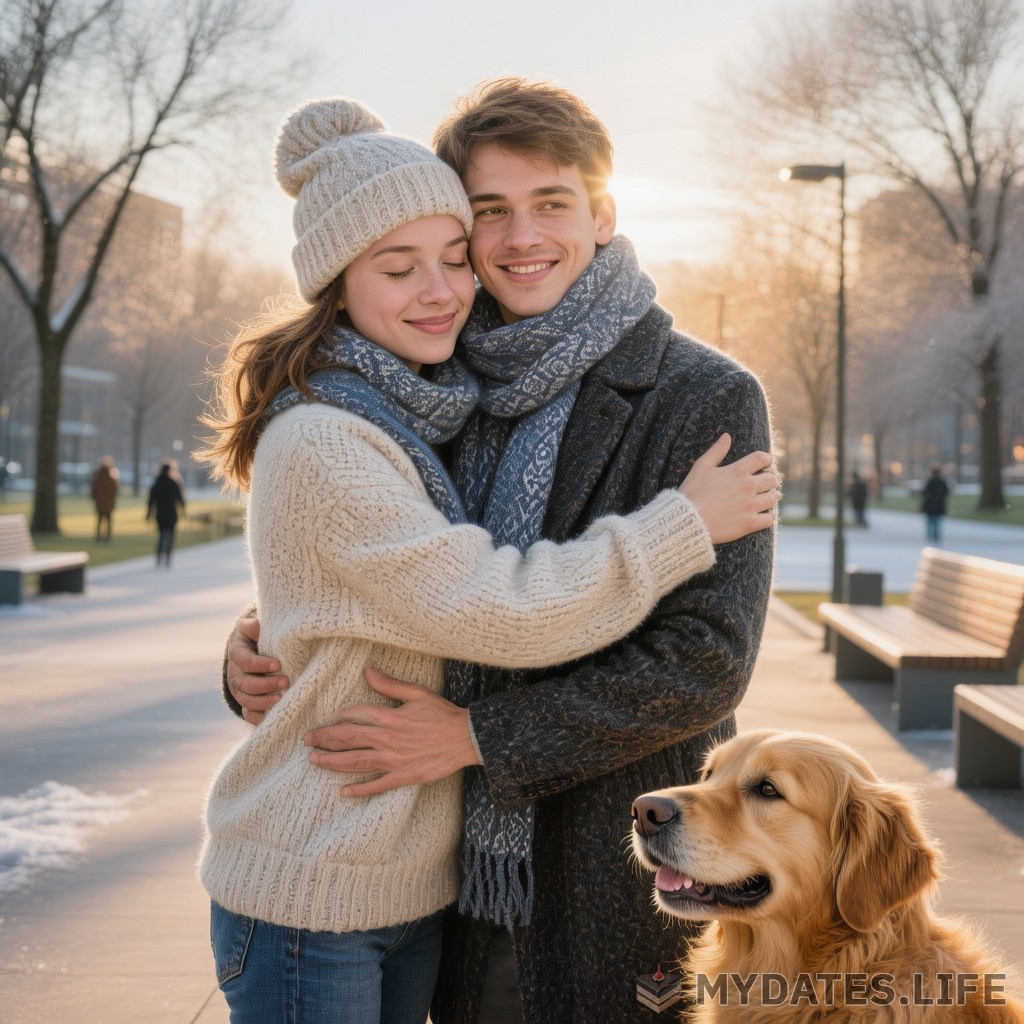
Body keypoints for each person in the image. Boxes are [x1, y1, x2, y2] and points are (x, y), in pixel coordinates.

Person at [198, 97, 777, 1024]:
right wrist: (259, 648)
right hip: (451, 878)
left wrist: (479, 736)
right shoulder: (440, 372)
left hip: (607, 862)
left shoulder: (701, 393)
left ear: (604, 213)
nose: (517, 237)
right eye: (489, 212)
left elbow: (705, 661)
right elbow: (390, 586)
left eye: (550, 202)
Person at [146, 461, 185, 565]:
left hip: (160, 514)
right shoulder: (174, 483)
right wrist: (183, 511)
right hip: (171, 514)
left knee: (161, 536)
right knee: (170, 536)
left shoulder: (157, 483)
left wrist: (148, 515)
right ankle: (168, 557)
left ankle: (159, 557)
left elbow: (151, 501)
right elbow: (180, 499)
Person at [90, 456, 119, 541]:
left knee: (99, 520)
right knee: (108, 520)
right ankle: (108, 537)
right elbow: (115, 491)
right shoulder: (111, 478)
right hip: (109, 503)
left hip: (99, 503)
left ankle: (99, 536)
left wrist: (94, 497)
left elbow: (93, 489)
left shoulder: (97, 477)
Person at [921, 464, 950, 542]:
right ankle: (936, 536)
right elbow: (946, 492)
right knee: (937, 522)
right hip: (939, 505)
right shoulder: (942, 481)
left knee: (930, 521)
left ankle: (930, 536)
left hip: (930, 505)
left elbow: (924, 493)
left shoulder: (930, 481)